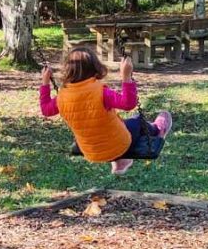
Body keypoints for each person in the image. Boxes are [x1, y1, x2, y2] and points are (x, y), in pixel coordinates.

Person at [40, 45, 172, 175]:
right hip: (119, 145)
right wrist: (126, 76)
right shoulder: (101, 92)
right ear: (95, 68)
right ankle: (158, 129)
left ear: (67, 70)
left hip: (90, 151)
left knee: (116, 126)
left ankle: (121, 162)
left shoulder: (62, 96)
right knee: (137, 121)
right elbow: (128, 104)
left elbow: (46, 110)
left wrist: (45, 83)